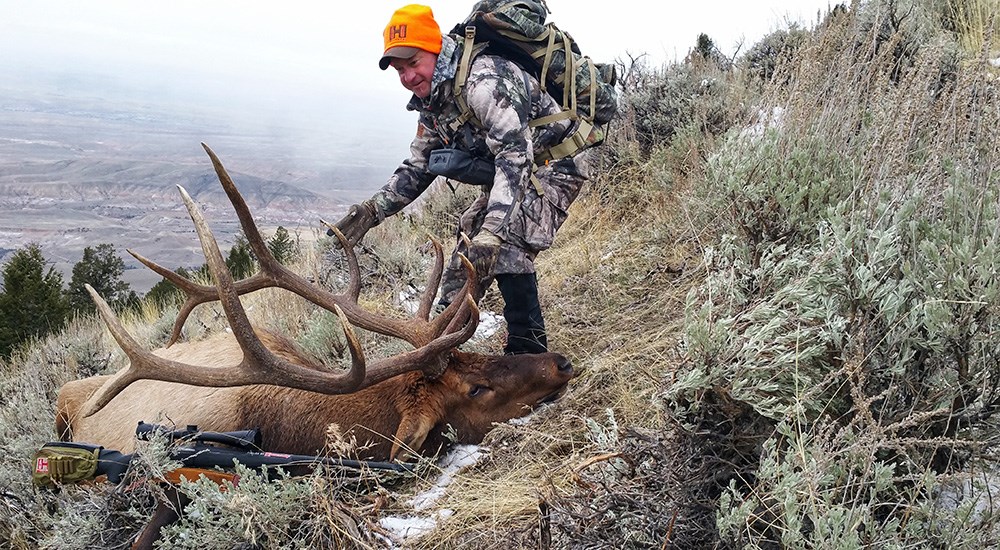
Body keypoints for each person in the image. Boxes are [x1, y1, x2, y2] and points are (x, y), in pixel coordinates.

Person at [333, 4, 591, 355]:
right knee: (467, 257)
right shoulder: (432, 101)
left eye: (413, 63)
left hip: (556, 163)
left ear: (435, 49)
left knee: (507, 245)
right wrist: (373, 210)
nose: (407, 76)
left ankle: (530, 363)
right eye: (399, 69)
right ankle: (439, 351)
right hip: (518, 169)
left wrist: (494, 231)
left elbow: (514, 157)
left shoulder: (485, 83)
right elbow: (419, 165)